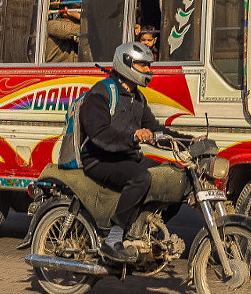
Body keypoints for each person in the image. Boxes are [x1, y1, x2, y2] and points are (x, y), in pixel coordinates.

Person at [57, 41, 181, 262]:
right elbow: (99, 135)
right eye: (142, 65)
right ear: (126, 64)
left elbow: (154, 129)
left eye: (148, 66)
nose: (148, 70)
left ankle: (143, 231)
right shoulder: (101, 92)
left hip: (125, 157)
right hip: (98, 158)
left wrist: (188, 141)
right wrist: (133, 137)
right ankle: (113, 239)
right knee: (140, 178)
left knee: (174, 177)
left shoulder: (137, 98)